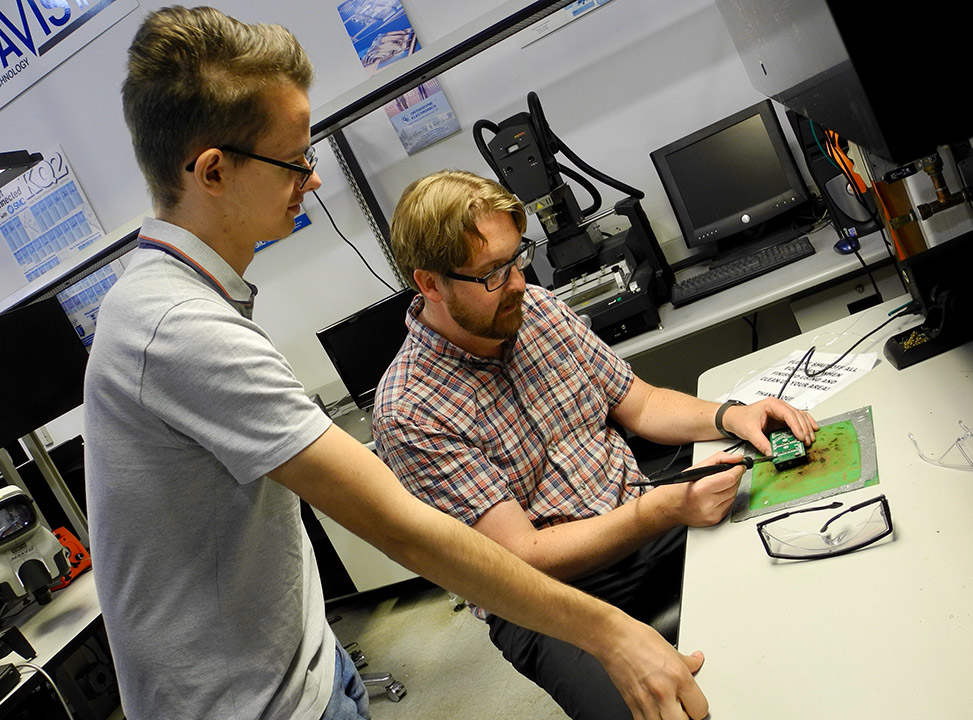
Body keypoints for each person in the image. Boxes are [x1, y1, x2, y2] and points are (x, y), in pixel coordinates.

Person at [84, 8, 716, 720]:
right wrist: (612, 635)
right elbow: (404, 527)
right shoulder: (178, 327)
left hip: (306, 665)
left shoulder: (184, 302)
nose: (312, 181)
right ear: (213, 171)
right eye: (295, 160)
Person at [372, 169, 819, 720]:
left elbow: (642, 403)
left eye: (517, 258)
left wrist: (731, 414)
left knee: (808, 568)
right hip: (547, 601)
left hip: (645, 519)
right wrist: (655, 512)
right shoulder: (410, 410)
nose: (516, 283)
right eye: (492, 273)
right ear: (430, 284)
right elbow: (523, 558)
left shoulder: (537, 309)